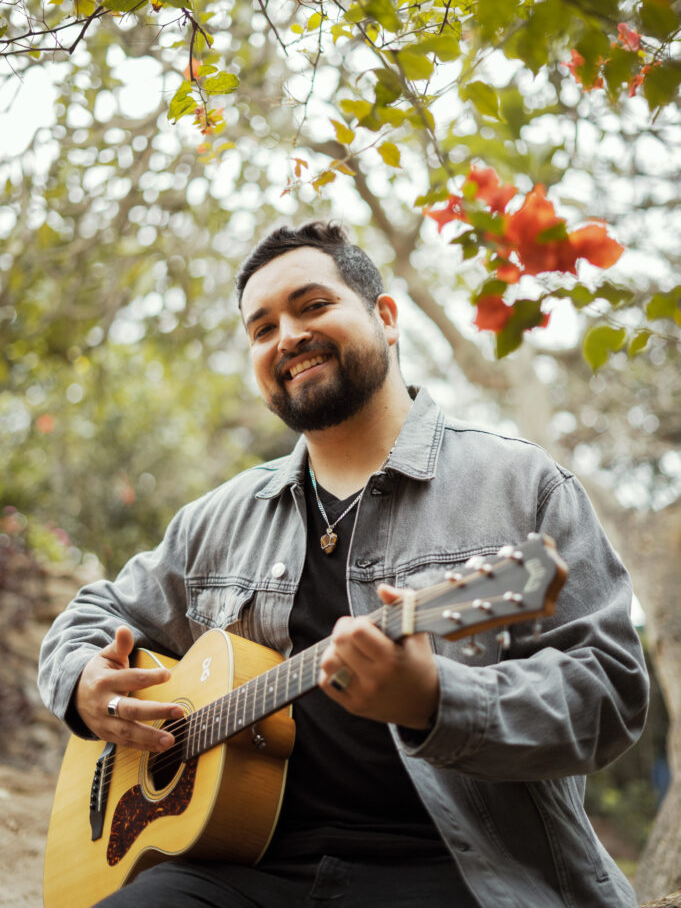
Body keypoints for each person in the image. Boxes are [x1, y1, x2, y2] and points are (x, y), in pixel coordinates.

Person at [39, 221, 648, 908]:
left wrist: (435, 702)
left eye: (312, 305)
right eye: (261, 328)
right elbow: (94, 614)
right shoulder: (218, 517)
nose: (287, 337)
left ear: (385, 318)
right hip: (240, 870)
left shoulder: (518, 485)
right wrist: (84, 680)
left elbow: (610, 693)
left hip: (462, 874)